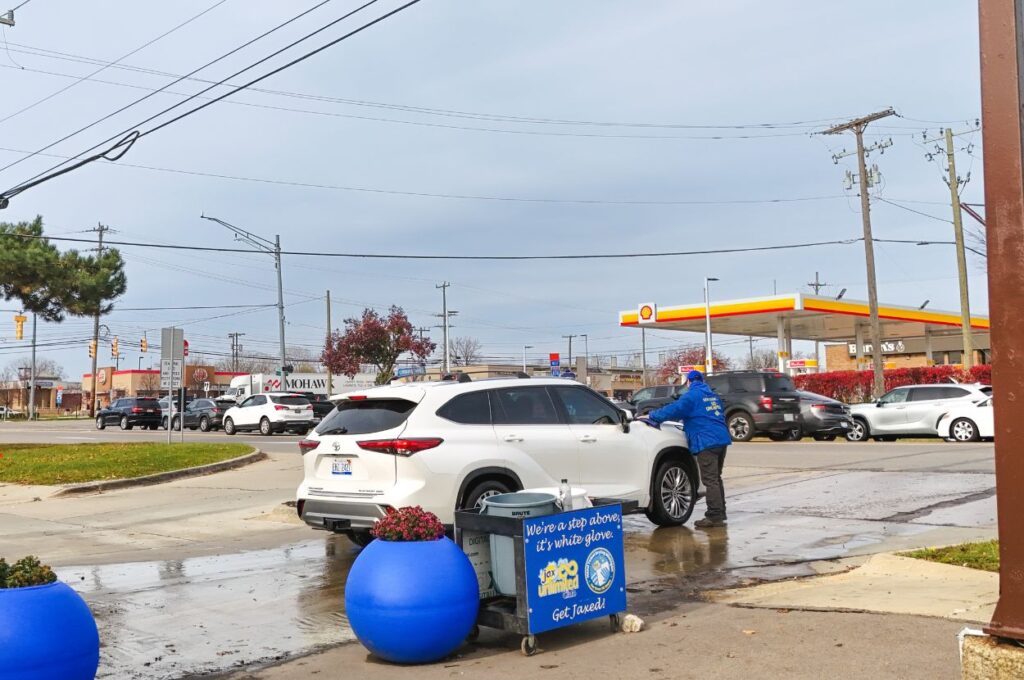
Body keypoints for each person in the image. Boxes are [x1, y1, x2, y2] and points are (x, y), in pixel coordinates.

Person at [638, 370, 732, 528]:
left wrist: (651, 416)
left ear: (688, 382)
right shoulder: (713, 396)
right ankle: (720, 512)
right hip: (721, 439)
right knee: (716, 478)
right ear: (702, 381)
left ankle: (714, 515)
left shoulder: (691, 396)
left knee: (710, 480)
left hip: (706, 440)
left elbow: (674, 409)